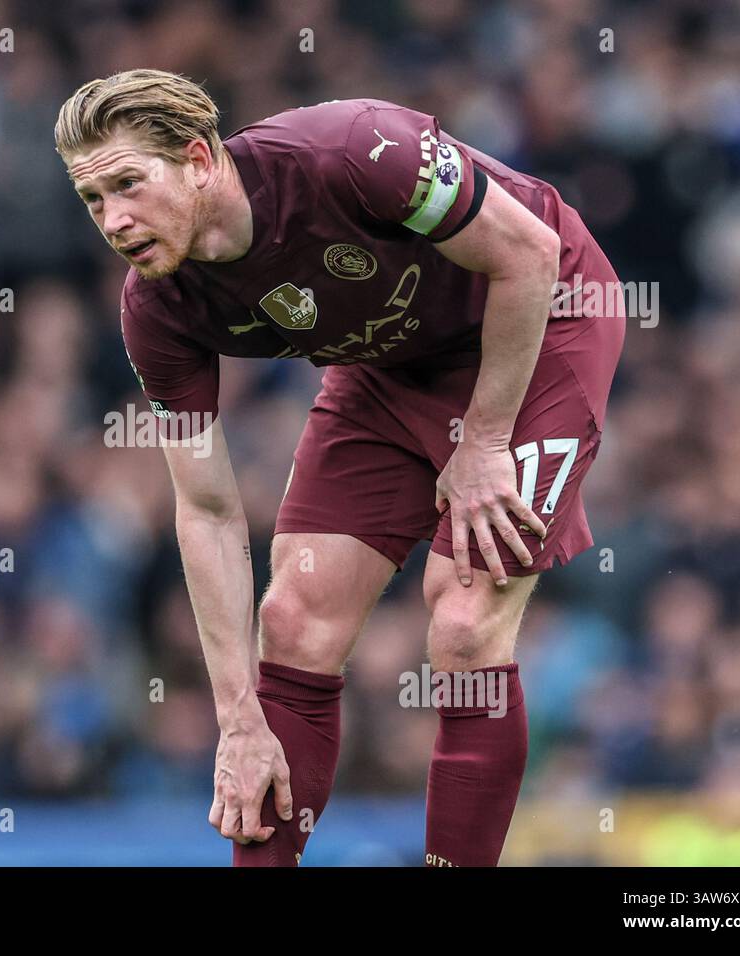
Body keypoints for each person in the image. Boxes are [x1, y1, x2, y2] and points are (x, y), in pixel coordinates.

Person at [55, 69, 626, 866]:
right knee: (290, 622)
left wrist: (484, 443)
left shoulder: (355, 152)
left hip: (541, 320)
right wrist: (236, 719)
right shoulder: (159, 309)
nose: (114, 220)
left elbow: (528, 255)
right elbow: (209, 510)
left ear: (195, 160)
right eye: (93, 201)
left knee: (463, 623)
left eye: (127, 184)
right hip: (387, 365)